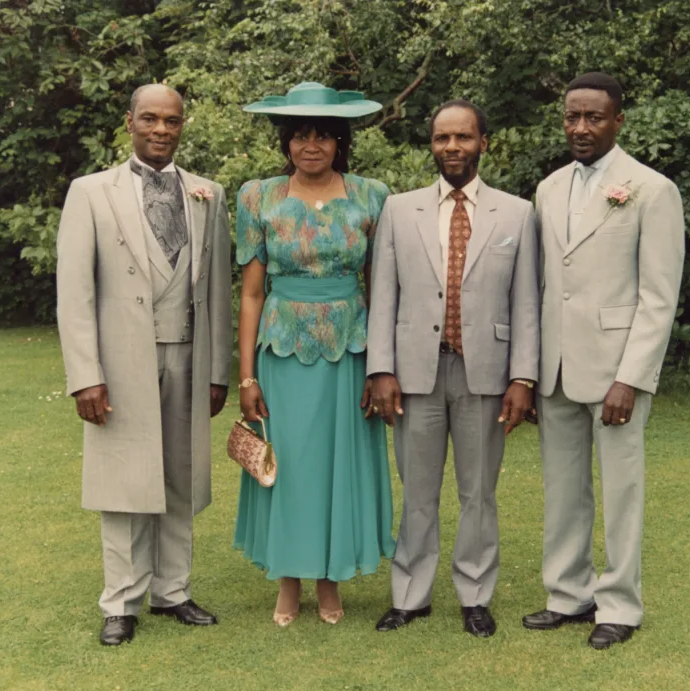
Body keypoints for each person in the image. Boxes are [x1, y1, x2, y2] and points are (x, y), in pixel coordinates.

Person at [56, 84, 233, 646]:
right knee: (125, 480)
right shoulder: (90, 192)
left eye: (172, 120)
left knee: (180, 474)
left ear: (183, 125)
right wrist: (86, 374)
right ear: (129, 121)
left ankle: (172, 591)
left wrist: (217, 370)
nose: (161, 129)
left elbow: (220, 290)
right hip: (120, 360)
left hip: (190, 352)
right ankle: (121, 600)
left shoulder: (209, 193)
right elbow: (74, 291)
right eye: (150, 119)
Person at [523, 72, 685, 649]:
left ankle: (619, 604)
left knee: (621, 490)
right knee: (563, 488)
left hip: (617, 369)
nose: (581, 127)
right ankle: (568, 594)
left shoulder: (651, 189)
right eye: (572, 116)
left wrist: (631, 377)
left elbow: (658, 296)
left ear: (618, 120)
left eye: (594, 117)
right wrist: (534, 369)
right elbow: (545, 285)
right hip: (557, 367)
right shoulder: (546, 189)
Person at [368, 100, 540, 638]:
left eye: (463, 137)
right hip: (415, 372)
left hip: (485, 373)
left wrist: (523, 377)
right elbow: (383, 296)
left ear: (483, 142)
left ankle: (474, 594)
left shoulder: (517, 213)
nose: (452, 147)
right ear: (432, 144)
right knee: (416, 489)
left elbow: (527, 301)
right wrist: (380, 369)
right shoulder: (400, 209)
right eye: (443, 138)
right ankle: (411, 595)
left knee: (479, 492)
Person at [233, 82, 395, 626]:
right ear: (286, 142)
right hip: (282, 348)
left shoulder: (373, 195)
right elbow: (252, 293)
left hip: (349, 346)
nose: (311, 145)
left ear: (339, 142)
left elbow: (381, 288)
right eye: (300, 134)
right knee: (291, 463)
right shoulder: (257, 197)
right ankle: (287, 579)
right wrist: (246, 377)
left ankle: (328, 581)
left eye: (323, 135)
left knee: (336, 464)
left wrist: (380, 366)